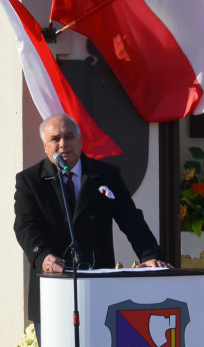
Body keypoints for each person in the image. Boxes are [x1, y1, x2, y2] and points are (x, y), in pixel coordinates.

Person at [14, 114, 171, 331]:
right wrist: (42, 256)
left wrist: (150, 255)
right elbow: (25, 225)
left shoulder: (106, 175)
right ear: (45, 146)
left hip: (98, 286)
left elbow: (131, 219)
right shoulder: (30, 181)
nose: (63, 144)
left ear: (80, 140)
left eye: (69, 137)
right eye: (55, 139)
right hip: (54, 287)